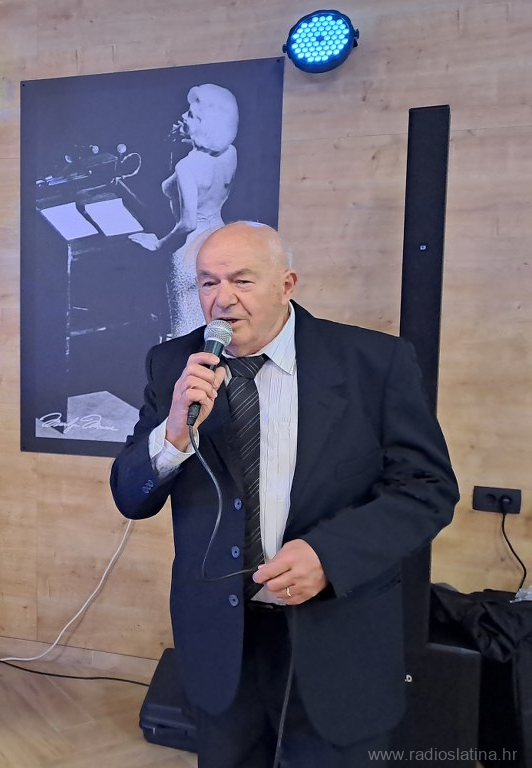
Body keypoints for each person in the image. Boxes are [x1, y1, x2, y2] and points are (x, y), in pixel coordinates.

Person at [111, 222, 458, 767]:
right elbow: (132, 496)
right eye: (207, 282)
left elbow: (428, 488)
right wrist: (172, 434)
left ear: (286, 284)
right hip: (222, 639)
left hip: (337, 633)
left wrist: (329, 555)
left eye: (242, 280)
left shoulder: (372, 362)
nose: (222, 299)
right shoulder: (172, 365)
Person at [129, 84, 239, 338]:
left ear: (206, 125)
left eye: (190, 115)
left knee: (185, 326)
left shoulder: (187, 167)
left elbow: (188, 223)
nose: (183, 117)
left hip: (189, 250)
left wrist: (158, 244)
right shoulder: (230, 154)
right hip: (219, 239)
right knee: (211, 317)